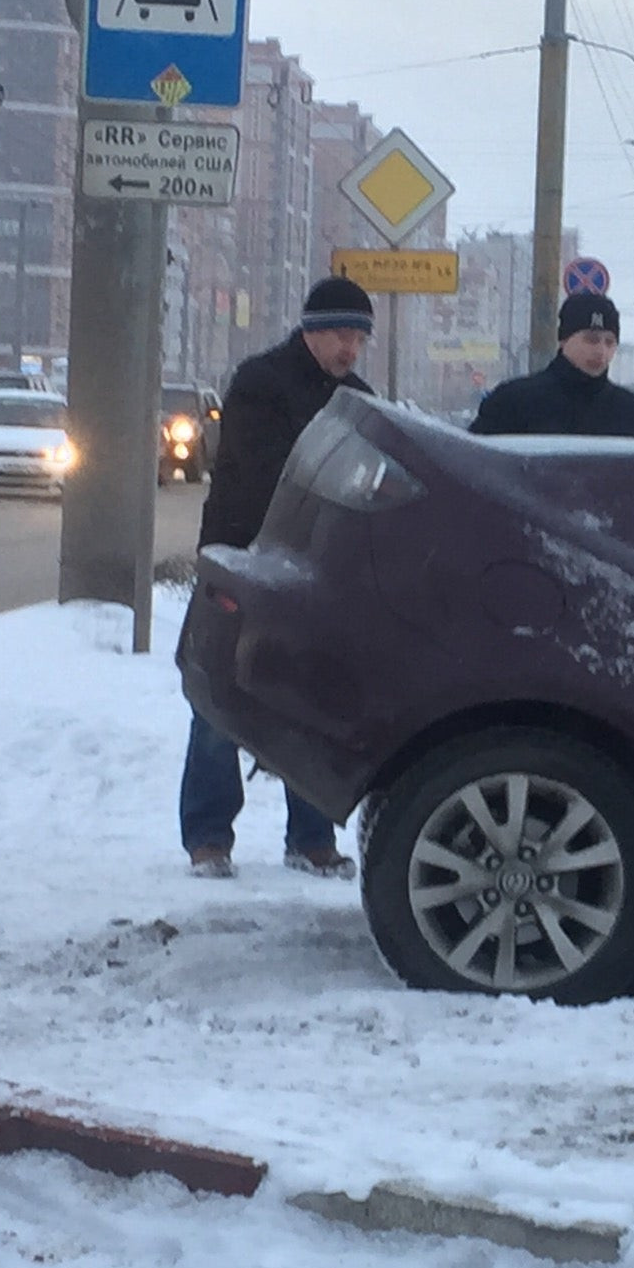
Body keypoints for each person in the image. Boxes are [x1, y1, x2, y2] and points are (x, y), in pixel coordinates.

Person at [180, 276, 375, 879]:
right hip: (243, 561)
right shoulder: (261, 383)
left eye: (360, 336)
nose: (351, 348)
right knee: (222, 699)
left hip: (321, 573)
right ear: (312, 331)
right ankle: (209, 838)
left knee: (314, 701)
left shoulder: (360, 398)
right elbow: (269, 471)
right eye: (342, 334)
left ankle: (312, 838)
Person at [468, 292, 634, 439]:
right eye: (591, 340)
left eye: (609, 342)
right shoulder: (514, 402)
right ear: (564, 340)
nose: (601, 351)